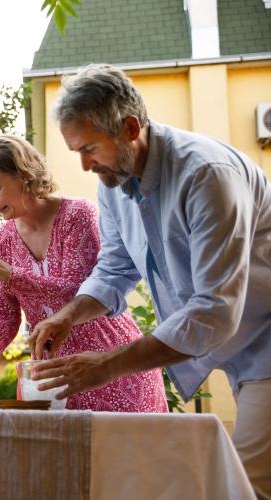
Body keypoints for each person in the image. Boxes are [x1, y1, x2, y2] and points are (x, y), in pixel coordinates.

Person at [28, 64, 271, 498]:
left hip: (265, 342)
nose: (84, 166)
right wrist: (68, 316)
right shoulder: (112, 180)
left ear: (129, 128)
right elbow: (115, 268)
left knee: (246, 486)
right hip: (231, 346)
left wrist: (108, 364)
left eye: (89, 148)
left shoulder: (206, 174)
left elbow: (214, 308)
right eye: (75, 152)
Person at [0, 133, 166, 412]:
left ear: (24, 175)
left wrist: (10, 274)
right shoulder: (0, 240)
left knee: (128, 454)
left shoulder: (77, 215)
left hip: (109, 363)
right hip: (51, 378)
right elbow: (5, 314)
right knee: (62, 456)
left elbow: (79, 292)